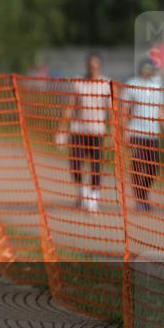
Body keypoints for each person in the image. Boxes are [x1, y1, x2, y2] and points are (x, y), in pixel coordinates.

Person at [56, 53, 112, 212]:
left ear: (100, 67)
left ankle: (93, 197)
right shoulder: (79, 82)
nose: (93, 69)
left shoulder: (106, 84)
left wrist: (112, 133)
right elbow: (70, 107)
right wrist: (62, 129)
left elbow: (110, 111)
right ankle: (83, 191)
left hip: (97, 132)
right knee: (75, 164)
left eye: (96, 66)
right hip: (78, 130)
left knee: (96, 165)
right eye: (90, 65)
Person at [119, 58, 164, 212]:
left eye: (151, 68)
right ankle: (139, 199)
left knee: (153, 169)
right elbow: (124, 111)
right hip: (136, 133)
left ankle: (144, 194)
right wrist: (125, 131)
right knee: (137, 166)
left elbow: (160, 110)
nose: (148, 70)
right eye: (146, 68)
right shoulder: (132, 85)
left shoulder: (157, 86)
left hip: (153, 134)